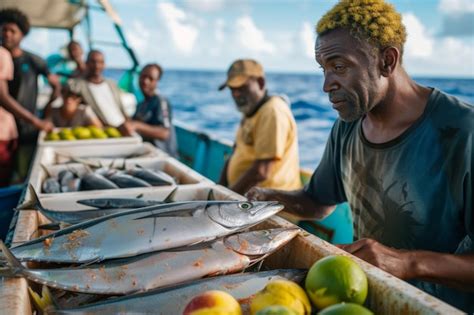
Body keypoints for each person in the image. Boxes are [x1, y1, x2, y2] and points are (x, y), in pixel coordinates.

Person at [246, 0, 473, 312]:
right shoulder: (347, 128)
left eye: (339, 67)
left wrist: (408, 263)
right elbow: (317, 202)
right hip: (365, 301)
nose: (326, 85)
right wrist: (265, 198)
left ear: (387, 61)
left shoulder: (463, 133)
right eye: (323, 69)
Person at [218, 59, 302, 195]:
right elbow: (235, 151)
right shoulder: (250, 110)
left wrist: (227, 200)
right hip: (244, 201)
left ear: (261, 83)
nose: (236, 94)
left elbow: (261, 172)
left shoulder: (272, 111)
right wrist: (219, 188)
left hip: (270, 207)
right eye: (232, 89)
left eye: (242, 87)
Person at [0, 8, 59, 180]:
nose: (7, 35)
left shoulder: (34, 60)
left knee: (23, 173)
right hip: (6, 128)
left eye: (13, 31)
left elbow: (55, 87)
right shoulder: (2, 56)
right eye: (4, 30)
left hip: (26, 128)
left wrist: (44, 116)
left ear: (22, 34)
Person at [67, 50, 132, 136]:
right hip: (105, 132)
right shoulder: (78, 85)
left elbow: (121, 107)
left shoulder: (112, 84)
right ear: (86, 63)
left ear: (104, 65)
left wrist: (128, 123)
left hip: (124, 128)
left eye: (100, 62)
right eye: (93, 62)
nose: (97, 66)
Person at [128, 63, 178, 157]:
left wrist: (137, 125)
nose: (145, 81)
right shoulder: (141, 105)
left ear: (157, 81)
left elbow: (164, 133)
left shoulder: (161, 101)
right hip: (147, 154)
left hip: (162, 157)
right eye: (143, 76)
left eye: (150, 78)